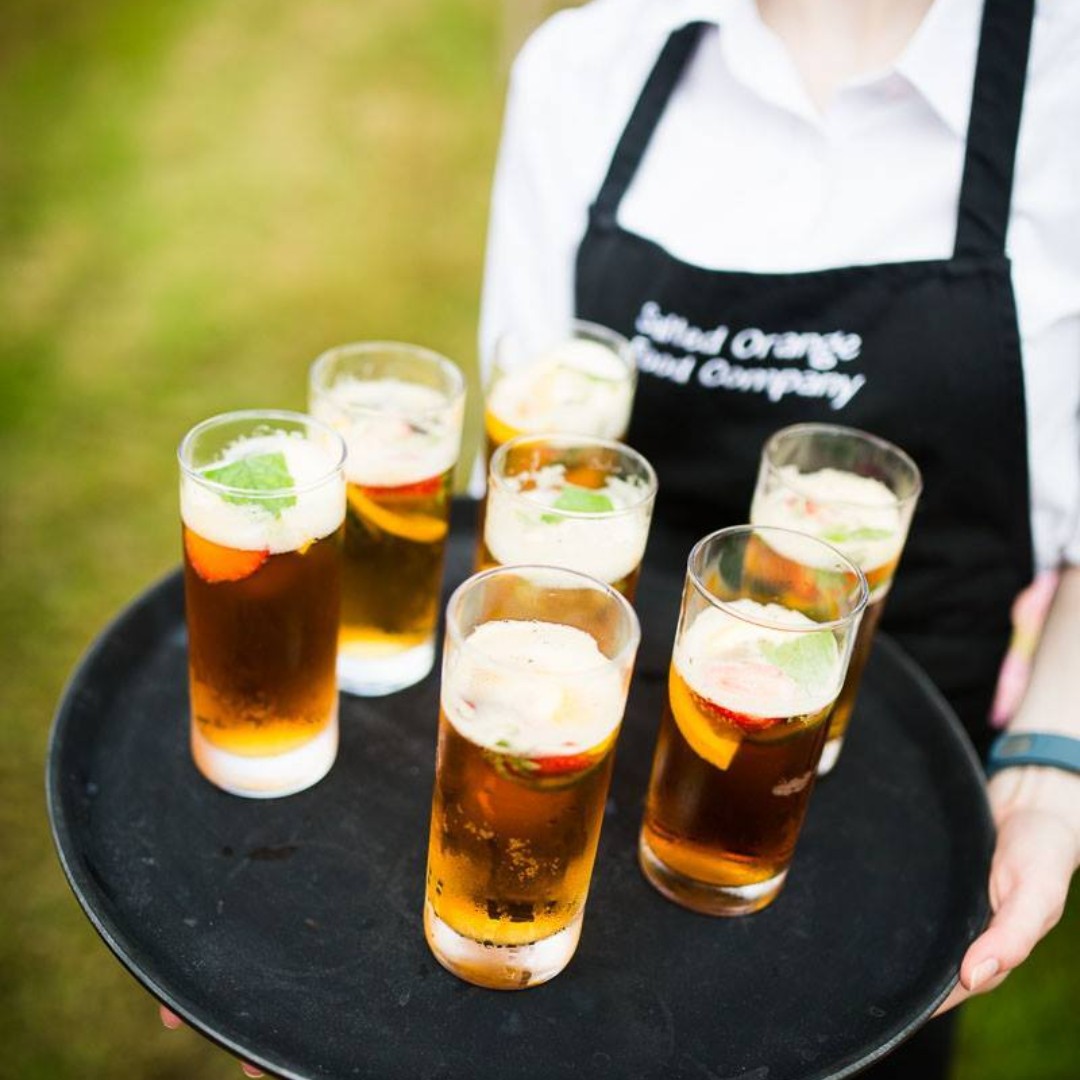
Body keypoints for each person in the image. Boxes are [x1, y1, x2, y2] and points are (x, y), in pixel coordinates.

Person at [479, 0, 1080, 1074]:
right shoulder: (584, 68)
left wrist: (1049, 760)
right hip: (570, 762)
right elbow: (528, 459)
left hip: (899, 808)